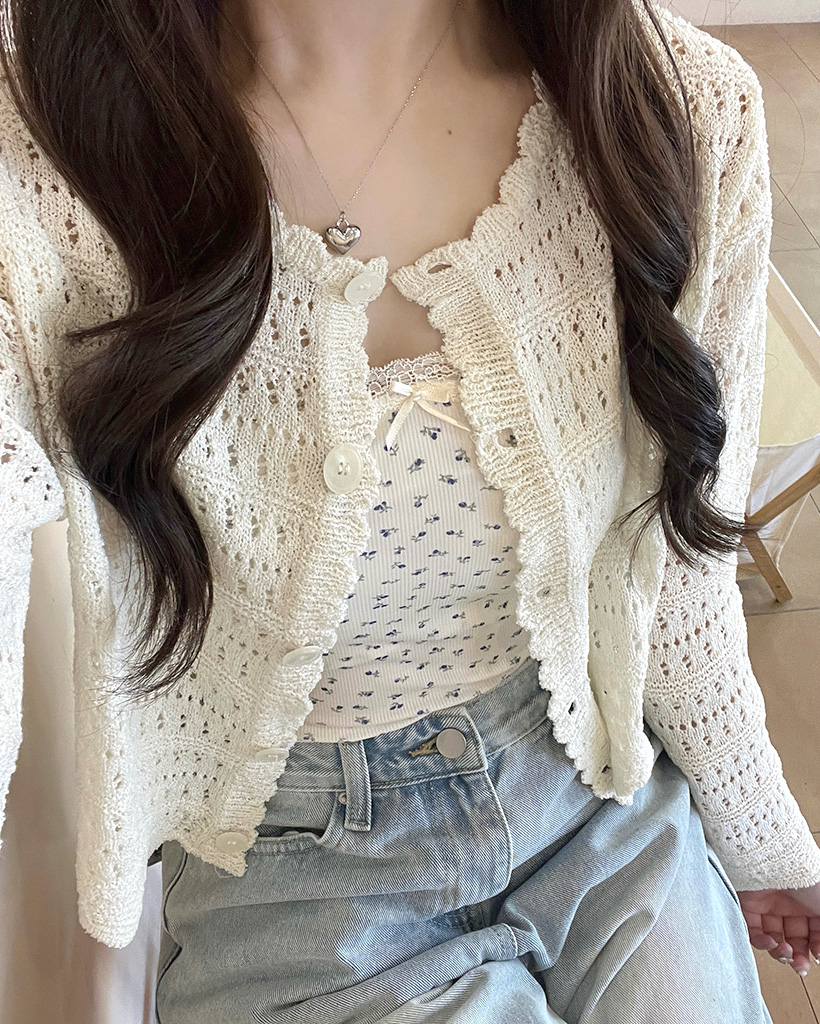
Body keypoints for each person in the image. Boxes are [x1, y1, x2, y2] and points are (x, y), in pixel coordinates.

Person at [0, 0, 818, 1020]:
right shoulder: (42, 155)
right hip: (295, 875)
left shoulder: (682, 112)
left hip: (592, 791)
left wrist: (760, 835)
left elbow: (677, 571)